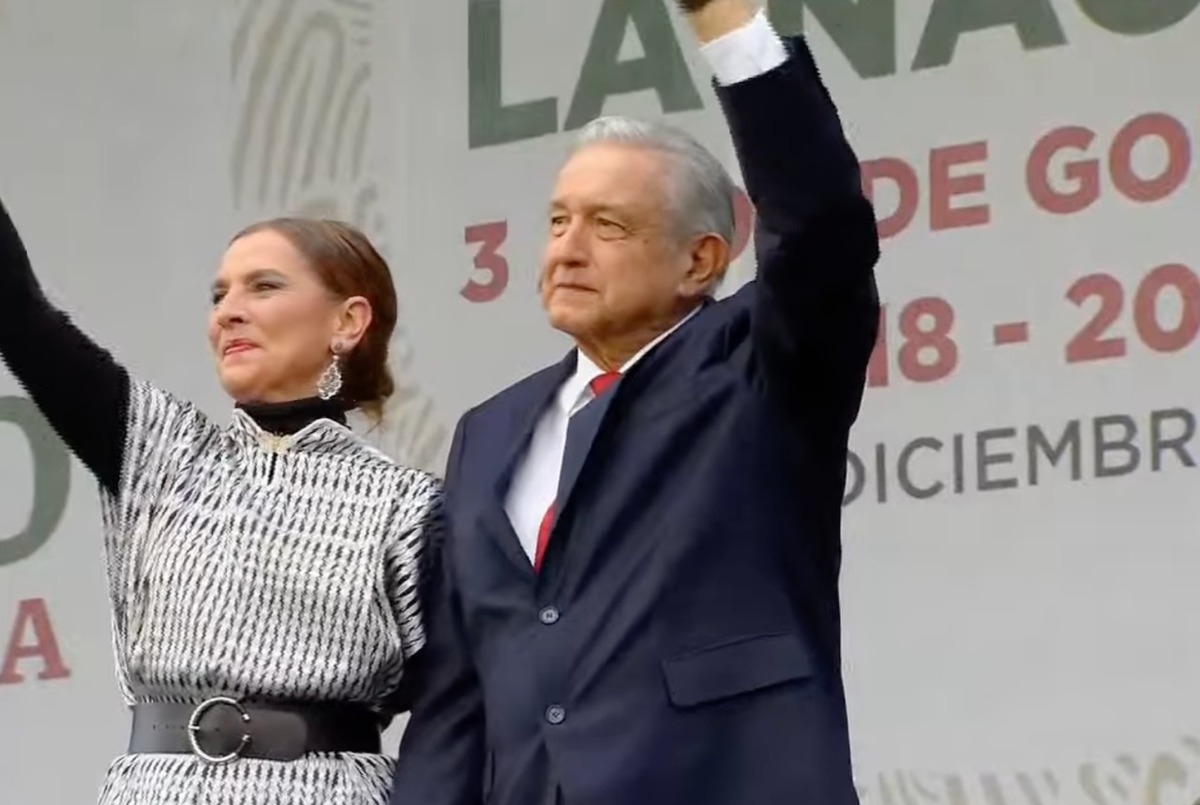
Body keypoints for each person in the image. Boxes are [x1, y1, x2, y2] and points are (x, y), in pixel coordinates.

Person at [389, 0, 881, 803]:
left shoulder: (757, 369)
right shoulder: (492, 430)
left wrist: (727, 22)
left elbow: (821, 226)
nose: (567, 248)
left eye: (608, 226)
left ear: (700, 261)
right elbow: (459, 698)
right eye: (557, 221)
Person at [0, 198, 442, 804]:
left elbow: (460, 712)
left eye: (263, 287)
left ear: (348, 321)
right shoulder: (159, 450)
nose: (229, 313)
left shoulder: (408, 504)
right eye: (218, 296)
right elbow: (21, 318)